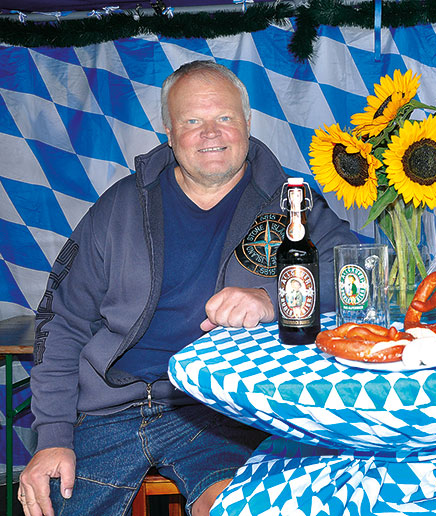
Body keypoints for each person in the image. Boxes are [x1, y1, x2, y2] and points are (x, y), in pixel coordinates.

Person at [18, 60, 358, 516]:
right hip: (105, 410)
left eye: (224, 118)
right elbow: (62, 322)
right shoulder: (118, 207)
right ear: (169, 132)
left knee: (240, 508)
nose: (210, 133)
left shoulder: (290, 202)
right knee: (47, 503)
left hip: (221, 411)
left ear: (248, 123)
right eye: (192, 121)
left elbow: (355, 274)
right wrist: (53, 436)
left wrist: (271, 298)